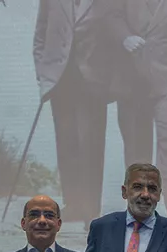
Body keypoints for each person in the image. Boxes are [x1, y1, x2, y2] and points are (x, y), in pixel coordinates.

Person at [109, 0, 167, 227]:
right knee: (136, 147)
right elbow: (110, 14)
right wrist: (124, 36)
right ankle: (138, 210)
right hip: (132, 78)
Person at [34, 0, 116, 224]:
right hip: (60, 80)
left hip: (94, 81)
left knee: (91, 145)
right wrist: (43, 74)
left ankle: (91, 208)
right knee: (66, 143)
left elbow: (115, 36)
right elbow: (41, 35)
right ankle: (73, 204)